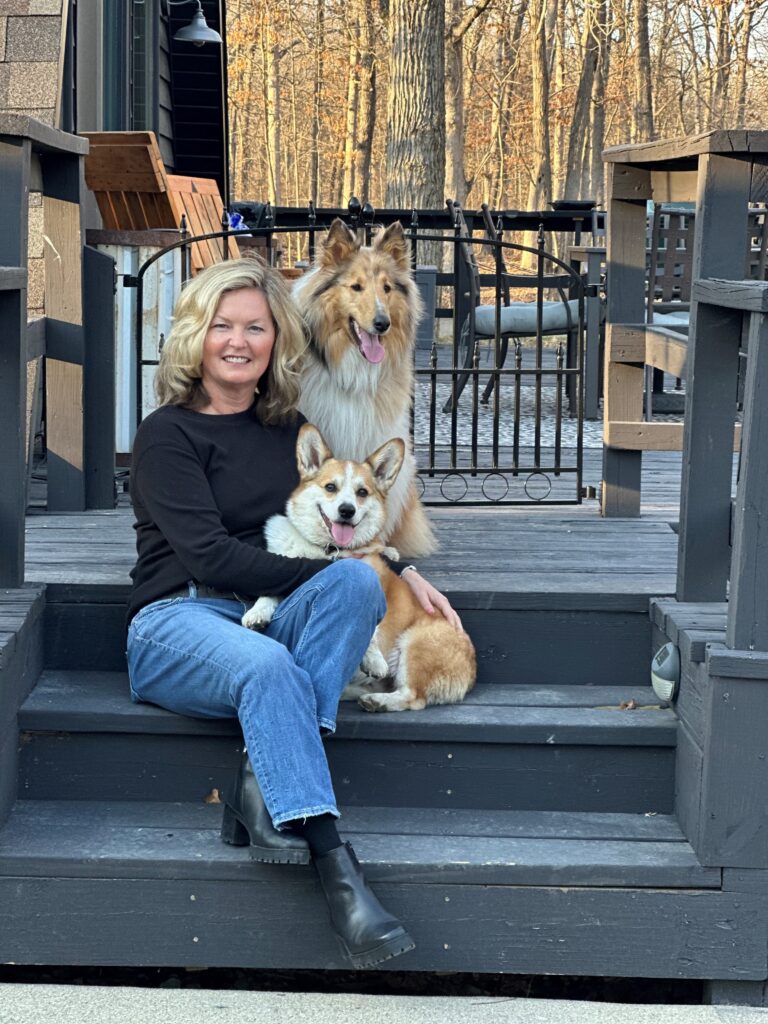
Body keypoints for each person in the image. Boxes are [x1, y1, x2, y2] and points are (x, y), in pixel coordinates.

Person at [126, 255, 462, 970]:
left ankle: (257, 777)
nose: (240, 341)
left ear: (277, 339)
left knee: (356, 589)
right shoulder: (166, 435)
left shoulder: (289, 430)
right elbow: (212, 559)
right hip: (177, 622)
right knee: (274, 659)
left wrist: (400, 569)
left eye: (257, 326)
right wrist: (325, 569)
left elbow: (343, 512)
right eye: (223, 326)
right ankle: (337, 870)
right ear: (195, 336)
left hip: (262, 616)